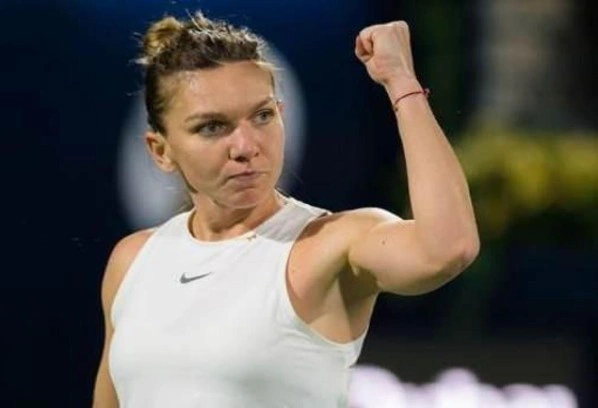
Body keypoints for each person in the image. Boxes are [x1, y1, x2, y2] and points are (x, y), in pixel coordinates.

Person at [92, 11, 479, 407]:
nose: (246, 146)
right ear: (160, 151)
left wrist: (402, 83)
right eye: (212, 126)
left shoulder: (328, 244)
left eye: (262, 116)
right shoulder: (132, 260)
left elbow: (449, 248)